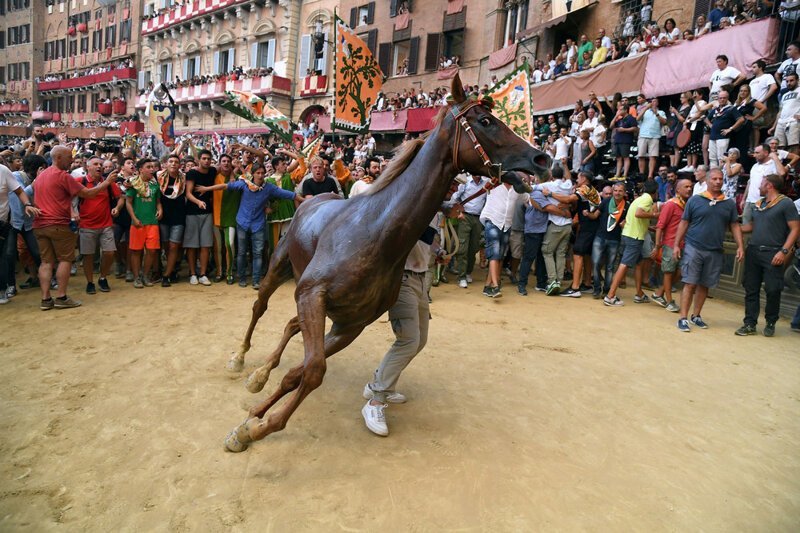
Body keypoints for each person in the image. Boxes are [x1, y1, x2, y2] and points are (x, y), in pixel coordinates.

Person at [361, 218, 446, 437]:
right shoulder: (420, 199)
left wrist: (438, 251)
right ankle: (375, 401)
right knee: (408, 341)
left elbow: (429, 242)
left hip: (420, 279)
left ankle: (377, 383)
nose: (455, 189)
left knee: (420, 340)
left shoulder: (436, 210)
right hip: (401, 279)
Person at [28, 146, 114, 310]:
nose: (71, 160)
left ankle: (45, 299)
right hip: (59, 224)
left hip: (40, 225)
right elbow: (88, 194)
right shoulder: (63, 176)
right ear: (58, 157)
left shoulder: (41, 176)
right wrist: (107, 183)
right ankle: (61, 296)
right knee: (65, 260)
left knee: (46, 262)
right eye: (68, 157)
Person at [197, 163, 302, 289]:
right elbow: (225, 186)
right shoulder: (244, 184)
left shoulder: (269, 187)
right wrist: (206, 189)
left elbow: (290, 195)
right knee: (241, 252)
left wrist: (307, 201)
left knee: (257, 253)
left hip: (257, 224)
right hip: (243, 222)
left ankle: (256, 280)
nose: (261, 175)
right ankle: (242, 278)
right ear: (253, 174)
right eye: (258, 173)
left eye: (262, 173)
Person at [673, 168, 745, 332]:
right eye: (714, 179)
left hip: (715, 249)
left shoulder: (728, 203)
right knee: (690, 282)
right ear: (706, 180)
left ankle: (696, 315)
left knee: (705, 284)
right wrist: (677, 244)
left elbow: (734, 225)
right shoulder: (695, 200)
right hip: (694, 246)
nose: (718, 182)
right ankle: (683, 317)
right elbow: (684, 222)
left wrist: (740, 246)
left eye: (720, 179)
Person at [736, 174, 800, 336]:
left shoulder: (785, 203)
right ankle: (750, 323)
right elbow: (752, 226)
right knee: (751, 288)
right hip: (754, 251)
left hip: (774, 252)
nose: (759, 186)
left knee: (773, 289)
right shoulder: (760, 204)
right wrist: (733, 226)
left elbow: (795, 229)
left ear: (770, 185)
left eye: (762, 183)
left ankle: (771, 321)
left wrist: (784, 251)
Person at [604, 180, 659, 306]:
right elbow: (639, 214)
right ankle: (610, 296)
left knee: (638, 263)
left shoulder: (639, 199)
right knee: (624, 264)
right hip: (634, 237)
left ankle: (639, 294)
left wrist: (650, 228)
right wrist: (655, 215)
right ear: (655, 192)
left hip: (628, 234)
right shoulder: (647, 200)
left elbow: (634, 217)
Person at [76, 157, 124, 294]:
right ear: (88, 167)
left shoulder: (108, 183)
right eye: (95, 164)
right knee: (88, 255)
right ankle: (90, 282)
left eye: (101, 165)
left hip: (106, 224)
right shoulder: (81, 181)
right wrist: (73, 211)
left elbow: (120, 197)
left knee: (109, 253)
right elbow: (70, 197)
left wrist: (117, 208)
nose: (99, 167)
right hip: (86, 225)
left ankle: (103, 278)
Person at [1, 163, 40, 305]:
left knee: (35, 252)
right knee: (9, 255)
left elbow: (21, 193)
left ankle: (47, 279)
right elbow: (23, 191)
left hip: (19, 223)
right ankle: (10, 286)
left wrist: (28, 205)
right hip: (13, 223)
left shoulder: (4, 171)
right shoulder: (16, 175)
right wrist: (36, 183)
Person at [651, 178, 692, 312]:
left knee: (680, 272)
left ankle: (659, 293)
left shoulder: (687, 205)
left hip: (683, 244)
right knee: (668, 273)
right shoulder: (670, 204)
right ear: (678, 190)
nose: (689, 189)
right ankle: (669, 301)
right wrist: (657, 246)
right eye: (686, 187)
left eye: (690, 187)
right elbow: (660, 226)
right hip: (670, 243)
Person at [557, 170, 600, 297]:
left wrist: (550, 194)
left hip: (588, 226)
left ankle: (575, 288)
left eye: (579, 177)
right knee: (586, 254)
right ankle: (586, 283)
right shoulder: (591, 189)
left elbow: (569, 198)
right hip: (591, 226)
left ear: (584, 179)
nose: (577, 179)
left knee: (578, 253)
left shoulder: (585, 189)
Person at [479, 178, 524, 297]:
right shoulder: (492, 183)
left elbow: (528, 199)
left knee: (499, 256)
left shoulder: (517, 189)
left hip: (506, 226)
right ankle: (495, 285)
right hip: (492, 221)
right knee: (494, 254)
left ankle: (487, 286)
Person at [536, 165, 575, 295]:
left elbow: (534, 188)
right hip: (568, 225)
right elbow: (569, 178)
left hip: (556, 224)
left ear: (552, 176)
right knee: (560, 253)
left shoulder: (549, 185)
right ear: (563, 176)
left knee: (546, 251)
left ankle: (552, 281)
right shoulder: (568, 184)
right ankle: (558, 280)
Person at [126, 159, 162, 288]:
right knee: (136, 251)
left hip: (152, 222)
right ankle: (137, 277)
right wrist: (134, 218)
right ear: (141, 169)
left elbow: (157, 201)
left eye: (153, 166)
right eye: (148, 167)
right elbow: (128, 202)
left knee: (152, 251)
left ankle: (145, 275)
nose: (152, 169)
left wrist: (160, 209)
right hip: (138, 223)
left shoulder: (155, 185)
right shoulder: (133, 184)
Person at [184, 149, 216, 286]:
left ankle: (202, 274)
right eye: (204, 158)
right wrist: (198, 202)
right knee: (192, 245)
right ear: (199, 160)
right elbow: (188, 193)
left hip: (207, 213)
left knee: (205, 245)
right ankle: (192, 273)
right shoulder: (192, 173)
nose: (206, 161)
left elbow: (227, 169)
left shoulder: (213, 171)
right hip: (192, 213)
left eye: (208, 159)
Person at [157, 154, 186, 287]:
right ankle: (171, 269)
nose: (173, 164)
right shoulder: (158, 177)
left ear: (180, 165)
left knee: (174, 246)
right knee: (166, 246)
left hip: (178, 217)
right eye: (171, 161)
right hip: (163, 217)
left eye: (176, 162)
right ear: (165, 164)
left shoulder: (184, 178)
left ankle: (166, 275)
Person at [517, 184, 549, 296]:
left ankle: (541, 283)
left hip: (543, 229)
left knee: (541, 257)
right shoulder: (534, 190)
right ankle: (521, 284)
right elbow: (531, 187)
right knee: (529, 257)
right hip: (533, 230)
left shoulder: (548, 191)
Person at [743, 144, 784, 225]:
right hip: (749, 201)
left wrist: (775, 158)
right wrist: (744, 199)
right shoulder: (754, 166)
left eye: (757, 153)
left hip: (763, 202)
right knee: (746, 227)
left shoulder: (773, 164)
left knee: (761, 228)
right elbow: (750, 183)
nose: (754, 155)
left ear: (766, 153)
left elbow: (782, 172)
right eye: (754, 153)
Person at [705, 90, 745, 168]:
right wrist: (710, 125)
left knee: (721, 158)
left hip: (723, 136)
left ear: (727, 99)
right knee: (712, 158)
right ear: (718, 99)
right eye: (720, 98)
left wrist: (730, 129)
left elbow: (741, 119)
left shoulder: (731, 109)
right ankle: (713, 175)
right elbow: (706, 118)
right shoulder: (715, 109)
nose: (722, 99)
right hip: (713, 136)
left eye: (724, 98)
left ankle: (721, 176)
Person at [768, 72, 800, 155]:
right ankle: (780, 166)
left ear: (797, 80)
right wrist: (773, 126)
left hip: (793, 121)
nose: (789, 83)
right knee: (778, 146)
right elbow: (780, 111)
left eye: (791, 80)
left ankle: (792, 167)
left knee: (793, 145)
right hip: (781, 122)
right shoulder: (784, 95)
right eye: (787, 81)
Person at [637, 98, 667, 180]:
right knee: (641, 155)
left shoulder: (661, 112)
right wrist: (646, 108)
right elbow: (637, 118)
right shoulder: (645, 111)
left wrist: (656, 113)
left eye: (654, 101)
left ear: (657, 103)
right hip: (643, 135)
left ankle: (650, 175)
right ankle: (641, 174)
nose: (652, 103)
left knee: (653, 156)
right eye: (651, 101)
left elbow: (664, 122)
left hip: (655, 136)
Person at [611, 103, 638, 179]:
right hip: (618, 140)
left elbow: (635, 128)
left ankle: (625, 174)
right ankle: (617, 174)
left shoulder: (631, 118)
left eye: (621, 109)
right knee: (618, 158)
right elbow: (611, 126)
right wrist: (616, 116)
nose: (619, 111)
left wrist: (624, 129)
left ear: (626, 110)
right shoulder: (620, 119)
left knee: (625, 157)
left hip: (625, 140)